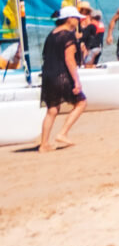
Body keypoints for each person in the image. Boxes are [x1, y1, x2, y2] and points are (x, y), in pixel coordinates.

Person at [37, 9, 86, 151]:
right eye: (76, 18)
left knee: (52, 110)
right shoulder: (68, 36)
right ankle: (62, 133)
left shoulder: (52, 34)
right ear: (69, 18)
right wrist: (76, 81)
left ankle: (44, 144)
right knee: (81, 102)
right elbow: (69, 59)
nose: (78, 20)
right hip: (61, 75)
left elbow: (46, 55)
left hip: (48, 75)